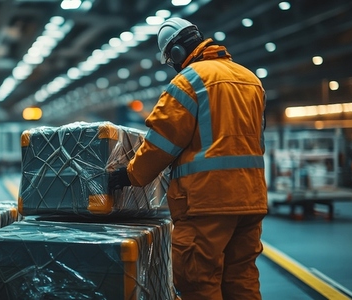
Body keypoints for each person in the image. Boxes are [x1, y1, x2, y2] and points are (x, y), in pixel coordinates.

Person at [109, 17, 267, 299]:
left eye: (170, 59)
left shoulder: (188, 82)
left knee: (198, 281)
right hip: (251, 200)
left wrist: (130, 175)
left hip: (207, 203)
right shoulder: (250, 80)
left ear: (177, 53)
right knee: (241, 279)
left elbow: (162, 141)